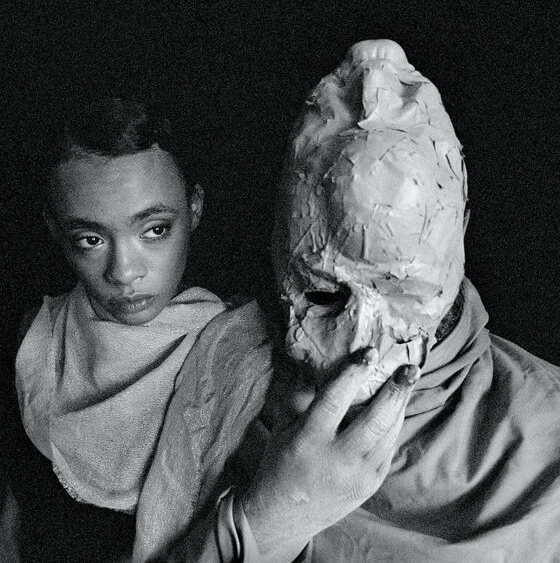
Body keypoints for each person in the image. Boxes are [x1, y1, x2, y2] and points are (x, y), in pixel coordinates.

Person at [133, 40, 560, 562]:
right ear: (277, 249)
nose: (361, 346)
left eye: (400, 289)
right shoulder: (220, 387)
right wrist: (266, 521)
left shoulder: (550, 444)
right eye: (323, 294)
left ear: (459, 240)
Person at [0, 96, 227, 562]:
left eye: (154, 230)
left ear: (194, 208)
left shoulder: (235, 352)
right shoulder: (38, 339)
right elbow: (14, 520)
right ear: (56, 231)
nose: (123, 272)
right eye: (91, 239)